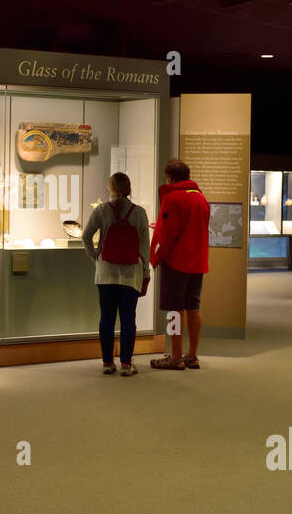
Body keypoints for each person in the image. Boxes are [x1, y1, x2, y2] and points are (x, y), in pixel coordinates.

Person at [82, 172, 150, 376]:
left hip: (106, 273)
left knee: (107, 317)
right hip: (131, 273)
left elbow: (85, 236)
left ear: (111, 189)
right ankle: (127, 364)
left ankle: (107, 363)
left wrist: (96, 257)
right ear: (129, 188)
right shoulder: (139, 213)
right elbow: (144, 247)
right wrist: (145, 270)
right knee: (128, 318)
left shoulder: (102, 210)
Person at [149, 158, 209, 370]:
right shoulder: (200, 197)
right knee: (193, 306)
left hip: (177, 262)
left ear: (170, 177)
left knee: (174, 310)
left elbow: (170, 235)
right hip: (198, 261)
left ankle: (175, 356)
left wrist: (156, 257)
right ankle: (192, 355)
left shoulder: (173, 198)